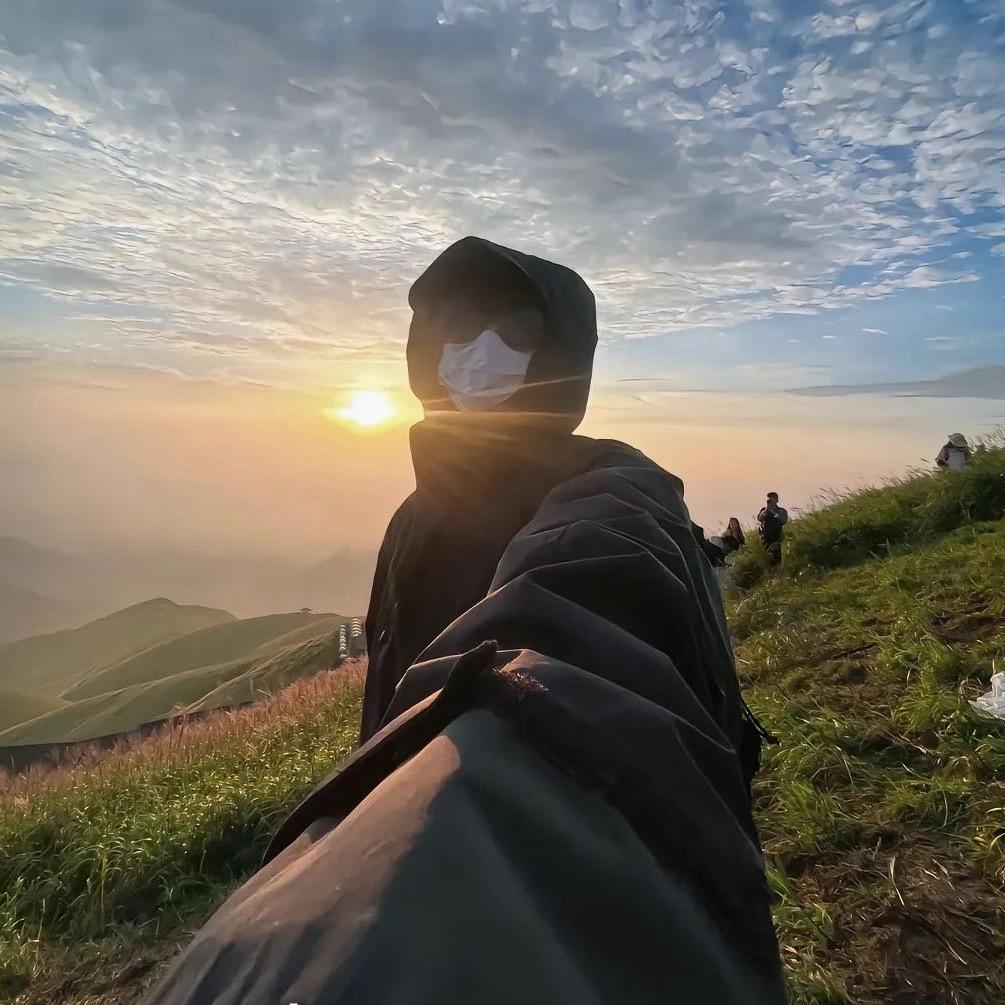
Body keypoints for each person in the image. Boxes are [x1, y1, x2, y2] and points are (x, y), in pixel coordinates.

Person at [142, 238, 784, 1005]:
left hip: (566, 839)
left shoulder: (619, 494)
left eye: (516, 330)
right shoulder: (413, 519)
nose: (478, 351)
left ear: (563, 354)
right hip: (409, 806)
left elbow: (578, 623)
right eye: (456, 324)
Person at [757, 492, 788, 568]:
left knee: (777, 561)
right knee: (767, 561)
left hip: (777, 539)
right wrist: (768, 509)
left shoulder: (781, 510)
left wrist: (774, 511)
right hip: (765, 539)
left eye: (772, 499)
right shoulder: (764, 510)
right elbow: (760, 518)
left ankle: (777, 576)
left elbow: (784, 521)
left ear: (777, 500)